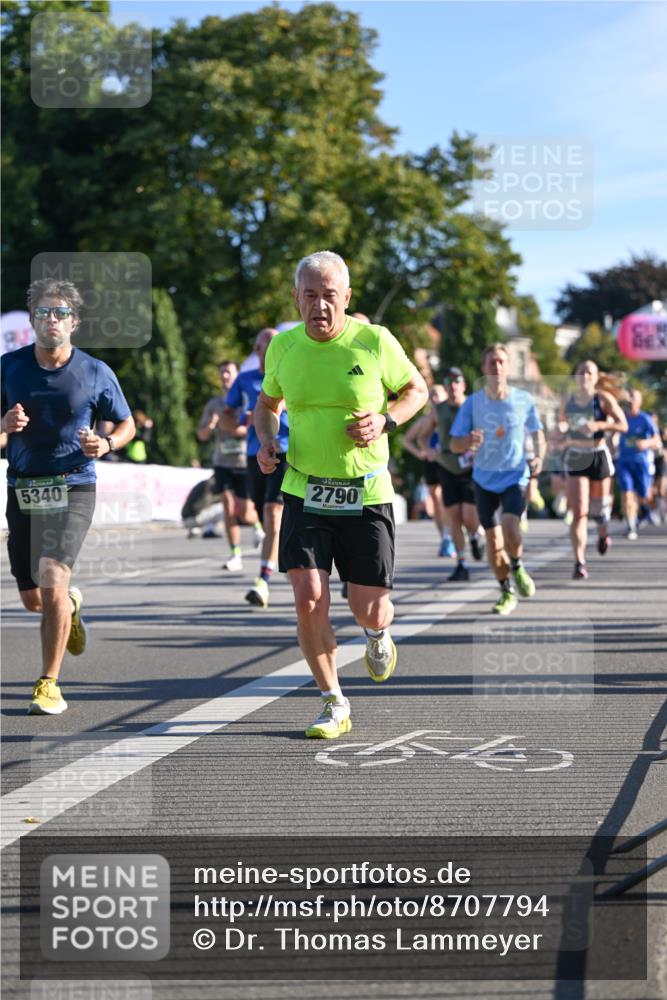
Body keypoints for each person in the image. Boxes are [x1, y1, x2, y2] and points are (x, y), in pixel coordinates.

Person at [254, 251, 428, 739]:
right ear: (297, 298)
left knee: (367, 605)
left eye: (330, 296)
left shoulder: (374, 341)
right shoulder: (284, 348)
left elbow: (417, 389)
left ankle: (376, 634)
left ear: (346, 298)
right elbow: (267, 404)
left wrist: (386, 420)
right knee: (309, 597)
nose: (320, 306)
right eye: (310, 295)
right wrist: (267, 439)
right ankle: (333, 700)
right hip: (305, 489)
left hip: (367, 490)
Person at [1, 278, 135, 714]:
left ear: (74, 322)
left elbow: (125, 424)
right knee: (33, 596)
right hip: (23, 487)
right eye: (43, 313)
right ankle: (70, 607)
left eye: (59, 313)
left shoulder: (95, 371)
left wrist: (108, 444)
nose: (51, 320)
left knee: (53, 574)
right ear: (32, 321)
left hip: (75, 483)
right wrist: (4, 428)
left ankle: (48, 682)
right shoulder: (9, 367)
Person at [450, 343, 545, 615]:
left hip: (515, 474)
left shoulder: (524, 400)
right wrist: (467, 440)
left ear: (509, 366)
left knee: (510, 527)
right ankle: (505, 590)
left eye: (502, 361)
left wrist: (538, 457)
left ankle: (516, 565)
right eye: (492, 362)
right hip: (483, 479)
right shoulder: (472, 403)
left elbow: (538, 433)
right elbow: (455, 444)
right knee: (492, 541)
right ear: (484, 368)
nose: (497, 367)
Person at [223, 329, 289, 607]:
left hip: (287, 450)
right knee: (263, 513)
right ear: (257, 349)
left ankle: (263, 580)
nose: (273, 349)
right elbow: (227, 418)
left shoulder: (290, 375)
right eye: (267, 345)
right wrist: (241, 423)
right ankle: (281, 553)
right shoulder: (245, 380)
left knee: (273, 512)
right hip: (254, 453)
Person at [559, 360, 627, 577]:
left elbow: (622, 425)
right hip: (577, 455)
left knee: (600, 511)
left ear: (596, 377)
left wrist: (599, 425)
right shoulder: (568, 401)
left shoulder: (603, 399)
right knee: (579, 512)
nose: (585, 375)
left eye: (590, 372)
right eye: (581, 371)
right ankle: (579, 562)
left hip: (598, 455)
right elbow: (561, 426)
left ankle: (603, 533)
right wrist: (560, 429)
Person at [416, 367, 485, 580]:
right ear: (445, 386)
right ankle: (461, 563)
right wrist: (428, 450)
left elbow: (486, 432)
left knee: (470, 517)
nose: (453, 385)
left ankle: (475, 535)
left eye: (457, 381)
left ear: (463, 384)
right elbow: (422, 436)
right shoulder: (439, 410)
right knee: (454, 518)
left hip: (470, 467)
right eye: (449, 381)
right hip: (446, 465)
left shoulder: (473, 407)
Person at [197, 360, 263, 568]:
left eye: (229, 372)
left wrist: (236, 428)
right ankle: (235, 554)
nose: (225, 376)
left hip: (244, 461)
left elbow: (254, 425)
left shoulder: (246, 399)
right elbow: (202, 435)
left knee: (244, 511)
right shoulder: (214, 404)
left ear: (237, 375)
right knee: (227, 504)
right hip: (222, 462)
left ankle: (260, 526)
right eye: (222, 373)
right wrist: (211, 425)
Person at [402, 383, 455, 557]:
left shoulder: (451, 416)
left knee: (445, 500)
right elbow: (407, 439)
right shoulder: (425, 420)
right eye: (431, 395)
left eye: (437, 395)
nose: (434, 398)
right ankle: (445, 538)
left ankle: (451, 535)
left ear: (445, 397)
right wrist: (421, 454)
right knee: (436, 502)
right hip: (431, 462)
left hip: (447, 462)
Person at [615, 389, 661, 539]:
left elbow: (657, 441)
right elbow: (614, 433)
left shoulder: (646, 419)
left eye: (633, 398)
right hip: (624, 462)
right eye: (629, 398)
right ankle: (631, 526)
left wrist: (646, 443)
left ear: (639, 402)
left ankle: (646, 509)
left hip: (641, 463)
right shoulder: (621, 418)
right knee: (627, 494)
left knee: (643, 495)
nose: (630, 401)